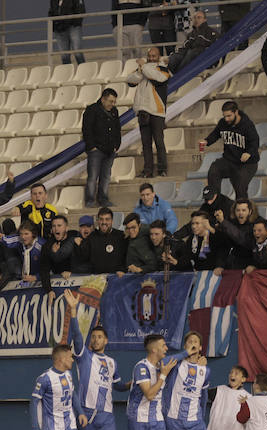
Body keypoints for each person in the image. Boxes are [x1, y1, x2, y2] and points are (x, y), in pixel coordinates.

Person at [63, 290, 129, 430]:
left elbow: (117, 386)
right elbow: (77, 336)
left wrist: (130, 385)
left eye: (99, 336)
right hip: (87, 414)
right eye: (94, 336)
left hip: (106, 416)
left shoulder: (112, 362)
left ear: (106, 340)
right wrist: (73, 311)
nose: (95, 339)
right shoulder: (84, 356)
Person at [198, 101, 260, 202]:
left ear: (236, 112)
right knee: (214, 170)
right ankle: (215, 202)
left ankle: (243, 208)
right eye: (224, 116)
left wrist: (249, 153)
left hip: (247, 163)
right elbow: (216, 133)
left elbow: (255, 141)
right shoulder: (223, 123)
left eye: (229, 116)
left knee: (240, 184)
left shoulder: (247, 124)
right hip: (229, 160)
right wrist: (206, 141)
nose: (226, 119)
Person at [128, 47, 171, 178]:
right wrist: (141, 69)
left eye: (154, 56)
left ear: (159, 56)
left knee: (159, 142)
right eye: (150, 56)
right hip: (143, 110)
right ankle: (148, 170)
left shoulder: (163, 69)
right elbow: (130, 80)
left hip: (157, 111)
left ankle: (162, 169)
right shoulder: (144, 68)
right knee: (146, 144)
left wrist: (143, 67)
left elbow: (158, 78)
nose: (152, 58)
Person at [82, 88, 122, 208]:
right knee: (93, 176)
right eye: (110, 101)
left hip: (110, 150)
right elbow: (87, 129)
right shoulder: (92, 110)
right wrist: (92, 147)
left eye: (114, 102)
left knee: (105, 176)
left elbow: (117, 129)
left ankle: (103, 199)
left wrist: (116, 145)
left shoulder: (114, 111)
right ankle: (90, 200)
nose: (112, 104)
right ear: (103, 99)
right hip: (96, 150)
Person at [40, 215, 84, 299]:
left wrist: (73, 272)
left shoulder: (75, 237)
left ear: (66, 228)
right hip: (60, 285)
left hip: (79, 283)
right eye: (54, 226)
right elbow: (44, 270)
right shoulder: (47, 246)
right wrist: (49, 290)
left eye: (59, 226)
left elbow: (86, 262)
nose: (56, 229)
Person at [80, 207, 127, 276]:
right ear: (98, 220)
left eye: (107, 219)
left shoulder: (121, 236)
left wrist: (123, 270)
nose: (104, 222)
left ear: (112, 221)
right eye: (101, 219)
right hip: (96, 281)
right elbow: (84, 258)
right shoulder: (91, 237)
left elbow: (126, 257)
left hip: (117, 279)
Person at [214, 198, 257, 270]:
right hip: (235, 264)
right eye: (238, 210)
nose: (240, 213)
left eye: (243, 210)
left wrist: (223, 222)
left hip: (252, 263)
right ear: (234, 212)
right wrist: (219, 265)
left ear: (250, 212)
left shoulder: (256, 224)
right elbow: (224, 247)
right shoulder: (231, 224)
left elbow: (244, 240)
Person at [49, 0, 86, 65]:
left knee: (77, 52)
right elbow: (51, 11)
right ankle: (68, 73)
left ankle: (84, 72)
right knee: (64, 56)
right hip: (59, 29)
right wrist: (54, 25)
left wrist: (74, 23)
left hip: (73, 27)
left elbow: (81, 10)